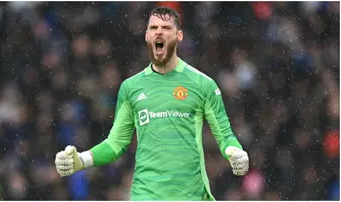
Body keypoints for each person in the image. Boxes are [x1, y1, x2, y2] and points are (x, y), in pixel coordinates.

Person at [55, 7, 249, 200]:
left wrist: (236, 152)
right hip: (146, 196)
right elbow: (116, 144)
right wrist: (81, 160)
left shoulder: (203, 84)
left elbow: (225, 136)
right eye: (154, 27)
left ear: (179, 36)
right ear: (147, 36)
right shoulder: (131, 88)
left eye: (166, 27)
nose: (159, 32)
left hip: (190, 196)